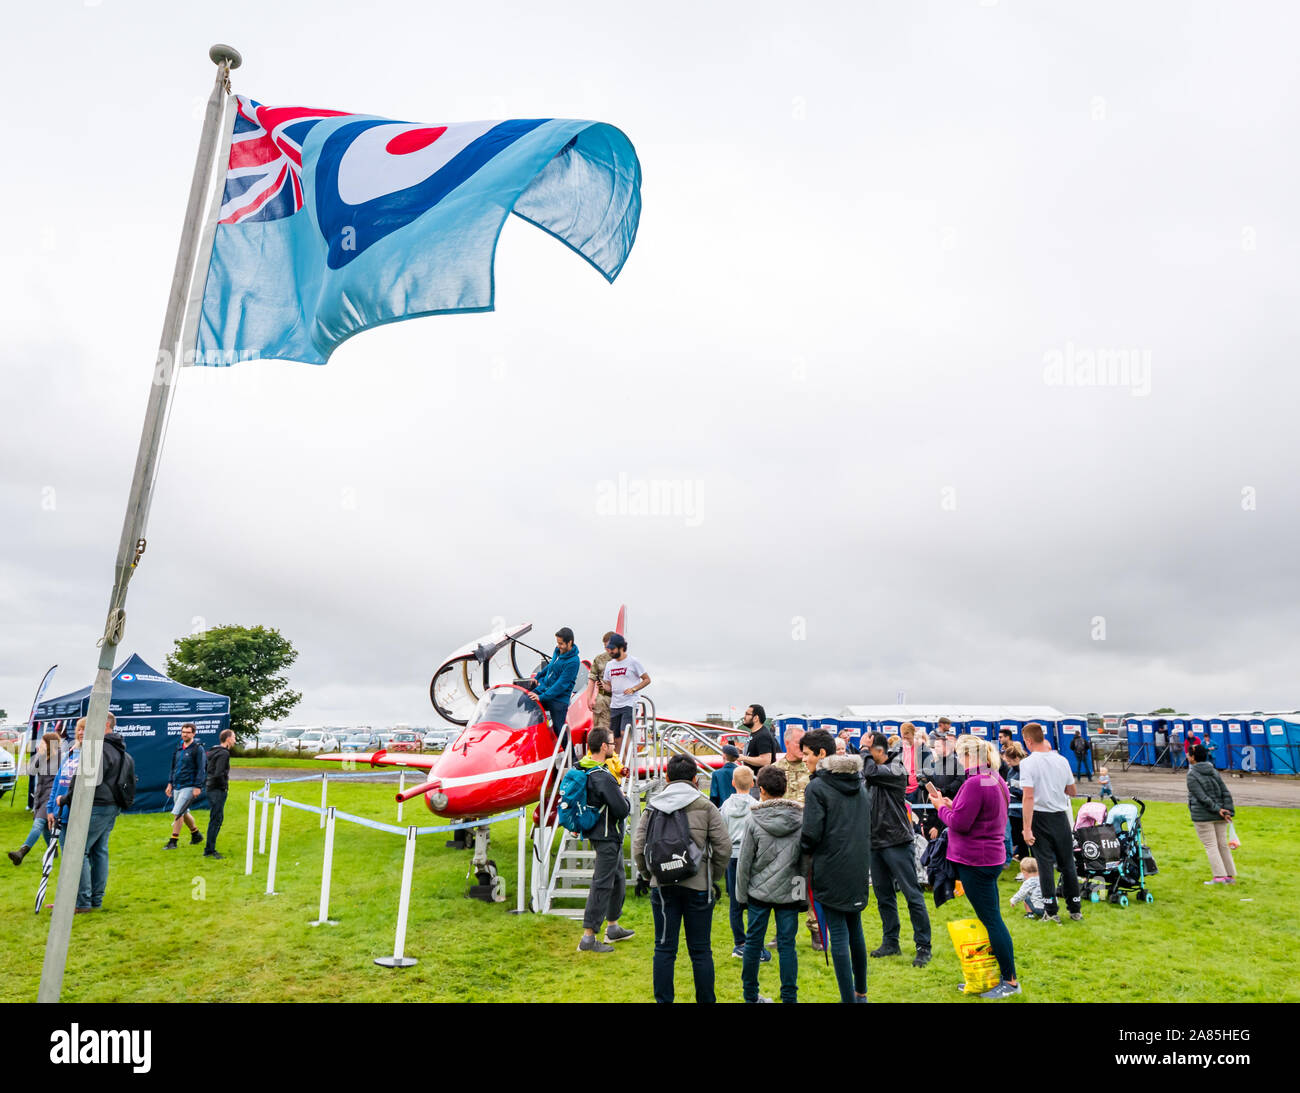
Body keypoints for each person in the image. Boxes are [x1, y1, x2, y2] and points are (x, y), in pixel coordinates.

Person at [632, 753, 730, 1003]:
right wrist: (713, 877)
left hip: (663, 886)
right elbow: (723, 847)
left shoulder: (653, 806)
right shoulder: (706, 806)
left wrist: (648, 875)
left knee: (664, 949)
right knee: (700, 951)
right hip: (698, 886)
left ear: (666, 777)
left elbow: (638, 845)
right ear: (696, 779)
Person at [928, 735, 1019, 998]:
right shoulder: (994, 778)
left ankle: (1009, 980)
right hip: (989, 856)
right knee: (991, 919)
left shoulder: (974, 782)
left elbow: (960, 823)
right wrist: (950, 805)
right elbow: (973, 814)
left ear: (966, 756)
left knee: (992, 920)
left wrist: (940, 808)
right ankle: (994, 975)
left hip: (976, 859)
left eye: (958, 756)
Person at [800, 729, 870, 1003]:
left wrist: (803, 849)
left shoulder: (817, 787)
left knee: (840, 932)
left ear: (821, 754)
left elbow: (811, 834)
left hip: (830, 865)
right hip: (856, 864)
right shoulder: (859, 783)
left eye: (807, 754)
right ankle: (860, 992)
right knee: (855, 928)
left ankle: (850, 998)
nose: (804, 760)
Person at [862, 733, 932, 967]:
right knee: (883, 896)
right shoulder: (873, 770)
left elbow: (870, 772)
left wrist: (864, 748)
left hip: (897, 840)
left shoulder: (896, 768)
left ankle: (923, 946)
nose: (865, 759)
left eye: (869, 753)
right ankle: (890, 941)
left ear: (879, 751)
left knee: (912, 894)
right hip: (874, 841)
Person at [736, 764, 805, 1003]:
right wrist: (802, 896)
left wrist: (741, 896)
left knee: (753, 944)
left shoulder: (753, 820)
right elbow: (804, 864)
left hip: (758, 892)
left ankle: (750, 996)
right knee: (788, 946)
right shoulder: (801, 819)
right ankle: (789, 998)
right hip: (789, 892)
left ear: (761, 789)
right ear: (785, 789)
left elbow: (744, 862)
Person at [578, 728, 635, 950]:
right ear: (603, 746)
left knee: (618, 879)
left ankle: (613, 926)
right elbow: (621, 810)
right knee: (602, 884)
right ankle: (588, 937)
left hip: (605, 834)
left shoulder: (586, 767)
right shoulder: (603, 776)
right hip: (607, 836)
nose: (614, 747)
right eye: (611, 743)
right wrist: (626, 799)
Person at [66, 712, 129, 913]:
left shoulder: (99, 748)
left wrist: (65, 799)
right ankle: (95, 900)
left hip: (97, 805)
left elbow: (86, 779)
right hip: (111, 804)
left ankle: (83, 902)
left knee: (78, 851)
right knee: (99, 851)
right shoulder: (118, 747)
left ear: (105, 725)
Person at [1020, 721, 1081, 922]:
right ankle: (1075, 908)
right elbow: (1072, 791)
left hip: (1040, 816)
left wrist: (1026, 828)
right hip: (1060, 815)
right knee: (1067, 863)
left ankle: (1051, 910)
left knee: (1045, 865)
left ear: (1028, 741)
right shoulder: (1061, 760)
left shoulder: (1027, 763)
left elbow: (1028, 796)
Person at [720, 765, 763, 960]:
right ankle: (755, 942)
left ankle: (739, 943)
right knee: (754, 899)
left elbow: (721, 831)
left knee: (735, 903)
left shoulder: (726, 806)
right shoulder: (757, 805)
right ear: (753, 783)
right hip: (751, 856)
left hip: (732, 856)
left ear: (732, 783)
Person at [1187, 743, 1237, 885]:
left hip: (1204, 816)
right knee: (1222, 845)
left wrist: (1218, 809)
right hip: (1220, 814)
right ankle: (1229, 876)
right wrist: (1227, 810)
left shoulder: (1192, 775)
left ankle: (1219, 877)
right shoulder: (1214, 771)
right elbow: (1225, 792)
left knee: (1211, 845)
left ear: (1193, 758)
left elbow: (1202, 797)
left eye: (1189, 754)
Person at [9, 731, 61, 865]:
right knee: (45, 828)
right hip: (41, 795)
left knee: (38, 823)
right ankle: (53, 851)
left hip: (51, 796)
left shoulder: (61, 757)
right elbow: (32, 770)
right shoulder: (43, 756)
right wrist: (40, 754)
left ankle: (21, 852)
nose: (40, 744)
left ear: (49, 744)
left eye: (43, 742)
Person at [531, 628, 582, 740]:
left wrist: (541, 697)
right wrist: (538, 676)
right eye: (557, 643)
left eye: (561, 643)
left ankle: (572, 757)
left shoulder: (573, 661)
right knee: (524, 701)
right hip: (544, 690)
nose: (558, 646)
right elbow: (551, 666)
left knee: (559, 729)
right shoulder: (558, 651)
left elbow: (561, 685)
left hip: (559, 699)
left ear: (570, 643)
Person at [602, 633, 649, 751]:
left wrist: (634, 689)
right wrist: (602, 686)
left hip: (630, 702)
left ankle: (629, 760)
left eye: (612, 649)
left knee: (624, 731)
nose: (610, 652)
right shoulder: (609, 665)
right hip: (615, 704)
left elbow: (647, 679)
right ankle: (621, 762)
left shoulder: (633, 662)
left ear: (621, 648)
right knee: (615, 736)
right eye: (609, 649)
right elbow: (609, 687)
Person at [164, 723, 206, 849]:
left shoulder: (198, 749)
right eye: (183, 732)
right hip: (177, 785)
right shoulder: (178, 748)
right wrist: (170, 783)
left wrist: (198, 786)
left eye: (188, 732)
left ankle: (173, 841)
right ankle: (196, 834)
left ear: (194, 733)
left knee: (178, 812)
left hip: (189, 785)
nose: (185, 734)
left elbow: (201, 769)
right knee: (184, 812)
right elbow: (173, 767)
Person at [204, 729, 235, 859]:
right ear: (227, 739)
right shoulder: (223, 754)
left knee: (217, 818)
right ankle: (210, 850)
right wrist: (224, 787)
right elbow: (219, 773)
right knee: (216, 819)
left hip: (210, 787)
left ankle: (210, 847)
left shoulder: (212, 751)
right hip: (217, 789)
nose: (235, 740)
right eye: (233, 737)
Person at [585, 630, 616, 738]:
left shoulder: (623, 660)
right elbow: (592, 678)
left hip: (618, 701)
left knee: (616, 736)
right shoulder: (599, 659)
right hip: (602, 700)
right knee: (601, 734)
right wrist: (589, 698)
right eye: (605, 647)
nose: (607, 650)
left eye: (609, 647)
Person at [1003, 742, 1030, 861]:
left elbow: (1028, 791)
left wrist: (1014, 789)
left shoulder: (1026, 769)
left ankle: (1030, 860)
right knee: (1018, 836)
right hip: (1013, 809)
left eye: (1009, 761)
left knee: (1026, 836)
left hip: (1024, 808)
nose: (1008, 764)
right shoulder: (1011, 770)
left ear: (1017, 758)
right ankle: (1023, 858)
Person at [773, 725, 810, 804]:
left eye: (805, 743)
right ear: (787, 743)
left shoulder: (812, 768)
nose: (802, 747)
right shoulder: (774, 770)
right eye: (799, 743)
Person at [738, 704, 777, 772]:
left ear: (756, 718)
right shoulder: (754, 733)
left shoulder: (763, 735)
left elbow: (765, 760)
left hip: (761, 780)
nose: (744, 717)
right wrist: (741, 751)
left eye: (747, 714)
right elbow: (753, 753)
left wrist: (743, 758)